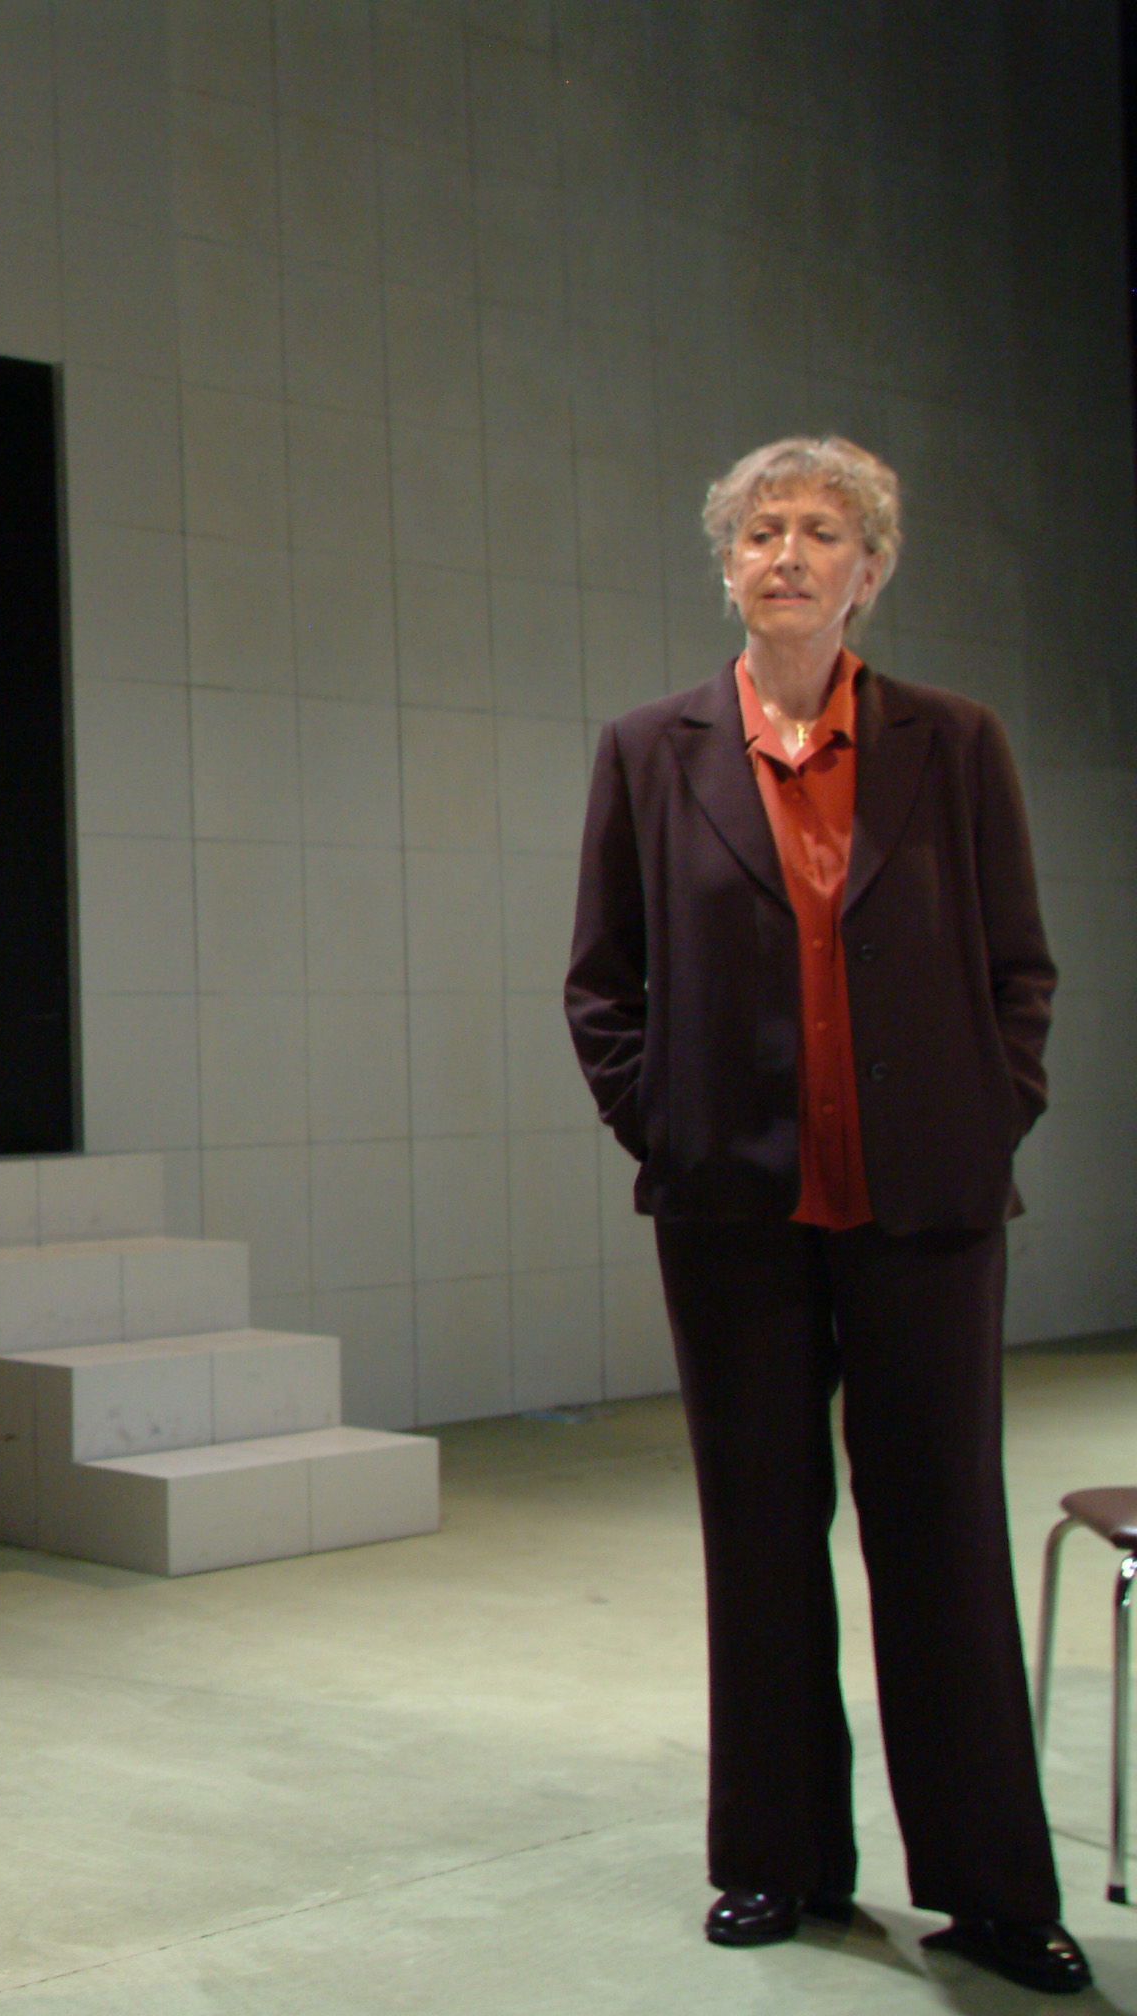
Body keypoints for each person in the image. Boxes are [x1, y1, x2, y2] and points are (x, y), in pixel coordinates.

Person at [567, 437, 1083, 1994]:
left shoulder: (955, 741)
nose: (788, 553)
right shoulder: (648, 750)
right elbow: (604, 984)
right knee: (761, 1535)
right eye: (762, 531)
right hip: (734, 1210)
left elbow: (1018, 967)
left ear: (871, 570)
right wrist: (666, 1125)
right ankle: (775, 1862)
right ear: (728, 565)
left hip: (926, 1206)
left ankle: (992, 1891)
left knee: (944, 1540)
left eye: (822, 531)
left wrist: (989, 1108)